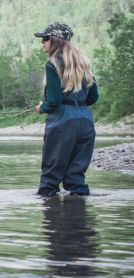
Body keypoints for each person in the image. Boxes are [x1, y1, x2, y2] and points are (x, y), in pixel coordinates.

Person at [34, 22, 98, 196]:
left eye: (45, 38)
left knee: (50, 179)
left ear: (56, 40)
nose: (42, 42)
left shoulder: (52, 64)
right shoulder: (84, 62)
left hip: (62, 122)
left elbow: (54, 101)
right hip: (86, 120)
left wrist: (42, 107)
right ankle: (77, 219)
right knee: (76, 178)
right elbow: (93, 97)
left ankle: (52, 218)